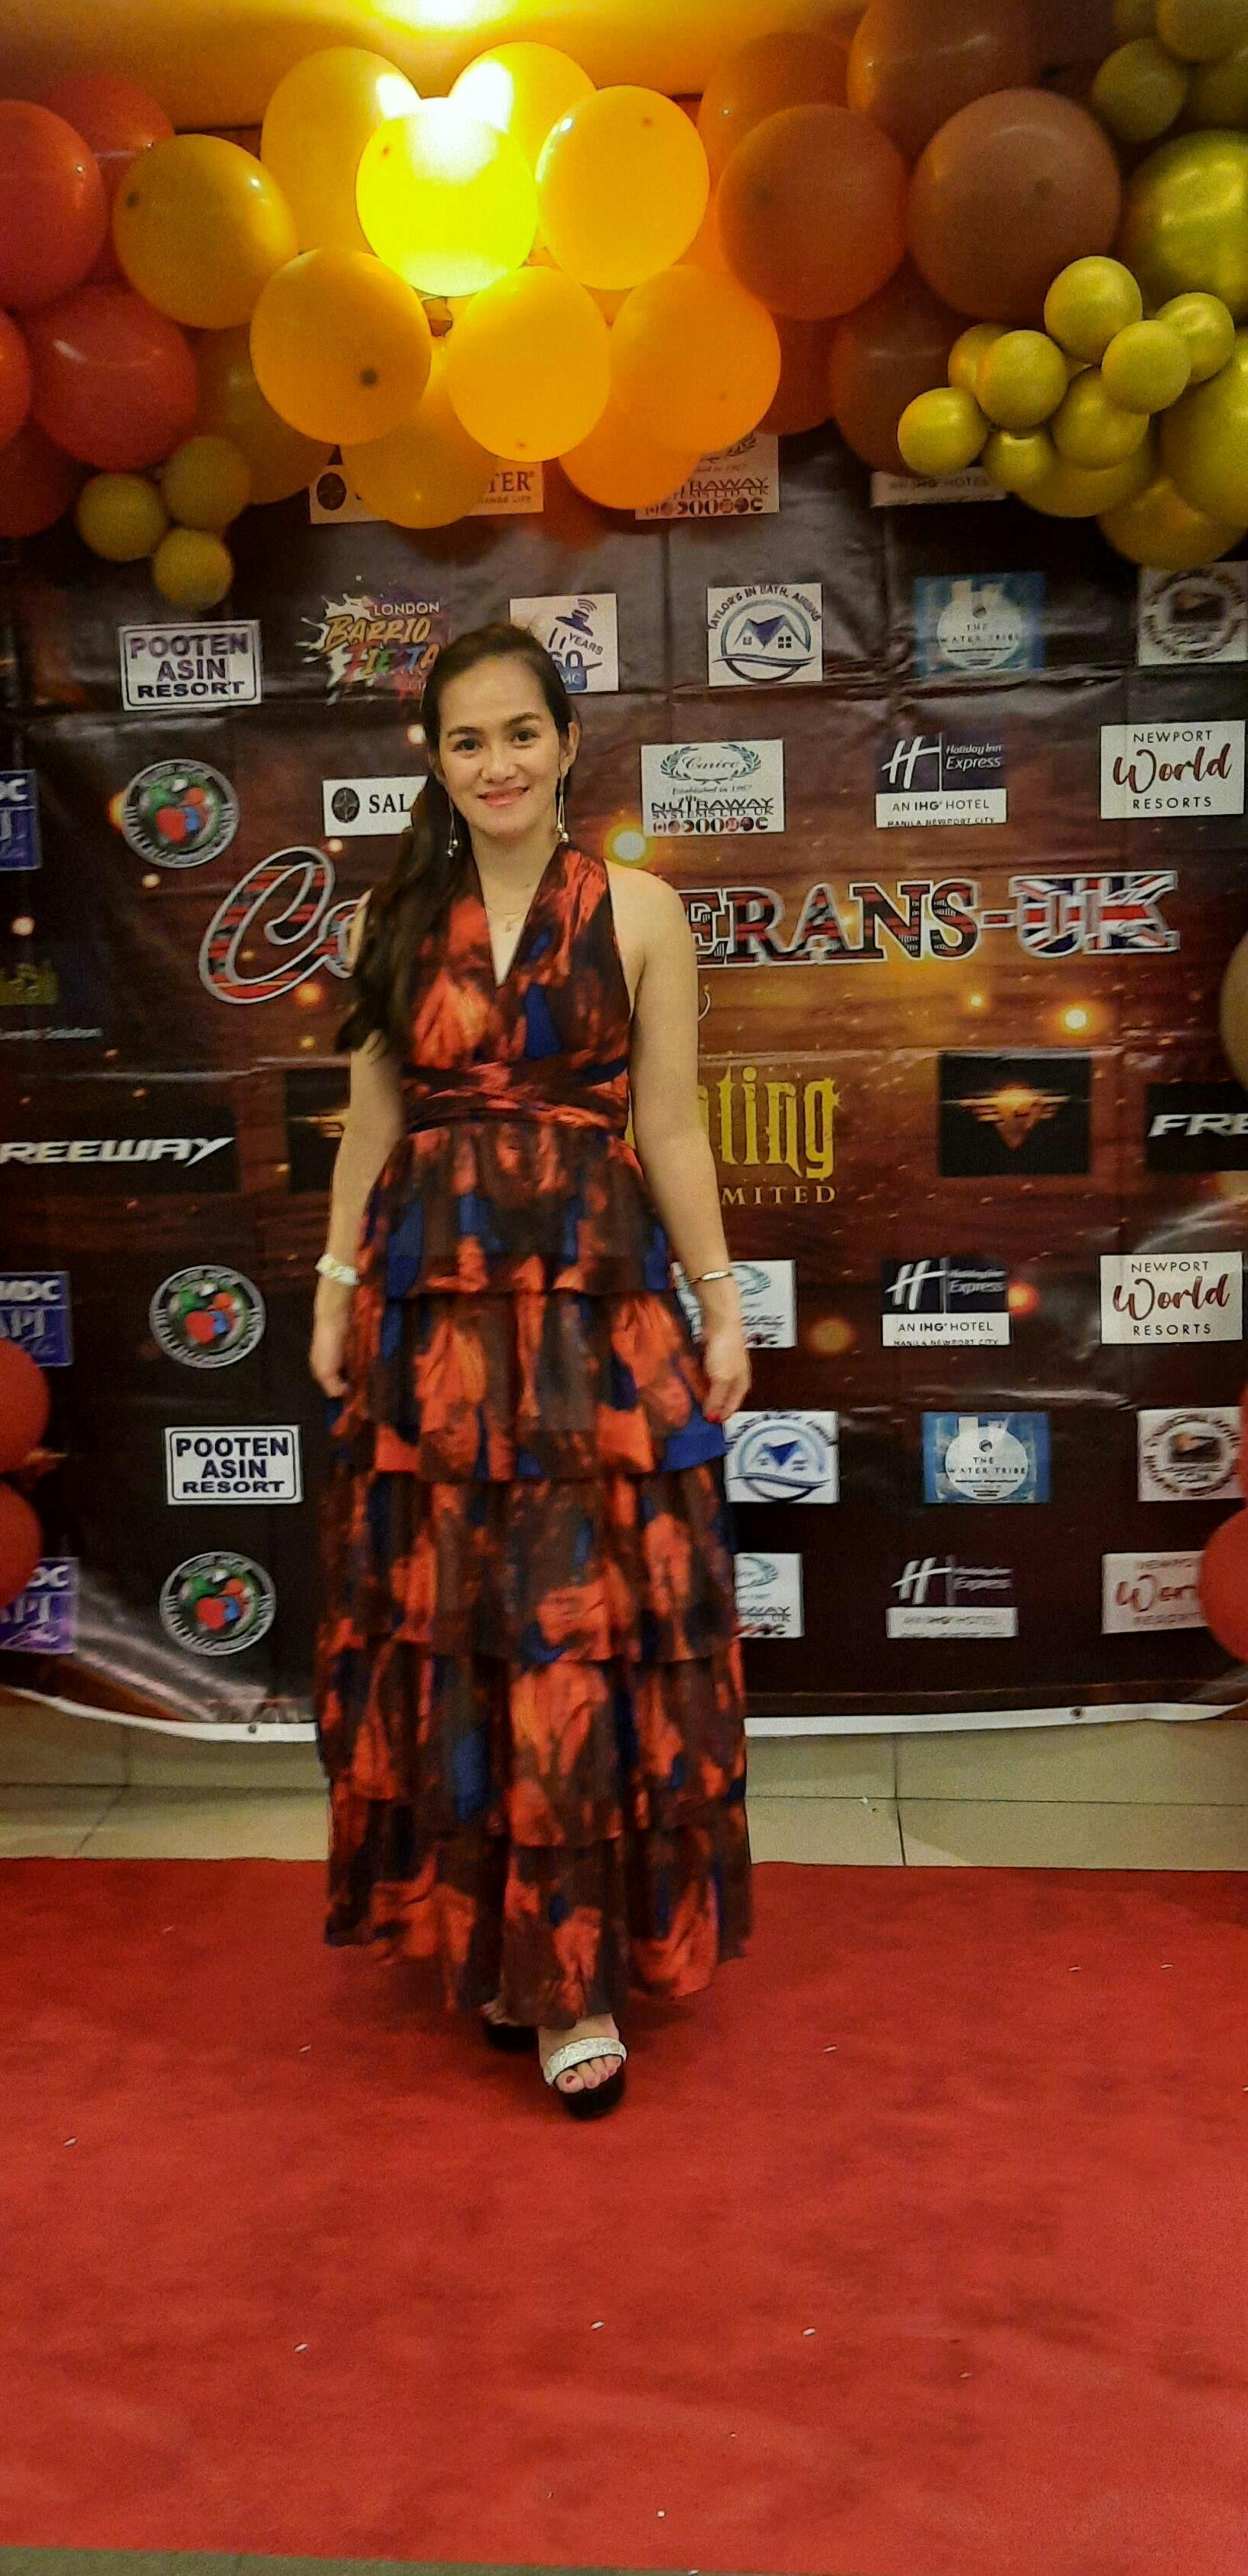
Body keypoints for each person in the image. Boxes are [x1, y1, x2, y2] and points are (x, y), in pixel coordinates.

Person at [311, 623, 751, 2118]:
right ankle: (505, 1941)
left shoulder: (640, 910)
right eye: (465, 740)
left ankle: (574, 1978)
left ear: (566, 741)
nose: (495, 762)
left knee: (570, 1626)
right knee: (464, 1630)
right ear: (433, 762)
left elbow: (670, 1125)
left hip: (586, 1317)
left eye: (519, 732)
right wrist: (332, 1289)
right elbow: (372, 1130)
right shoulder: (392, 918)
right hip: (433, 1321)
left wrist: (722, 1305)